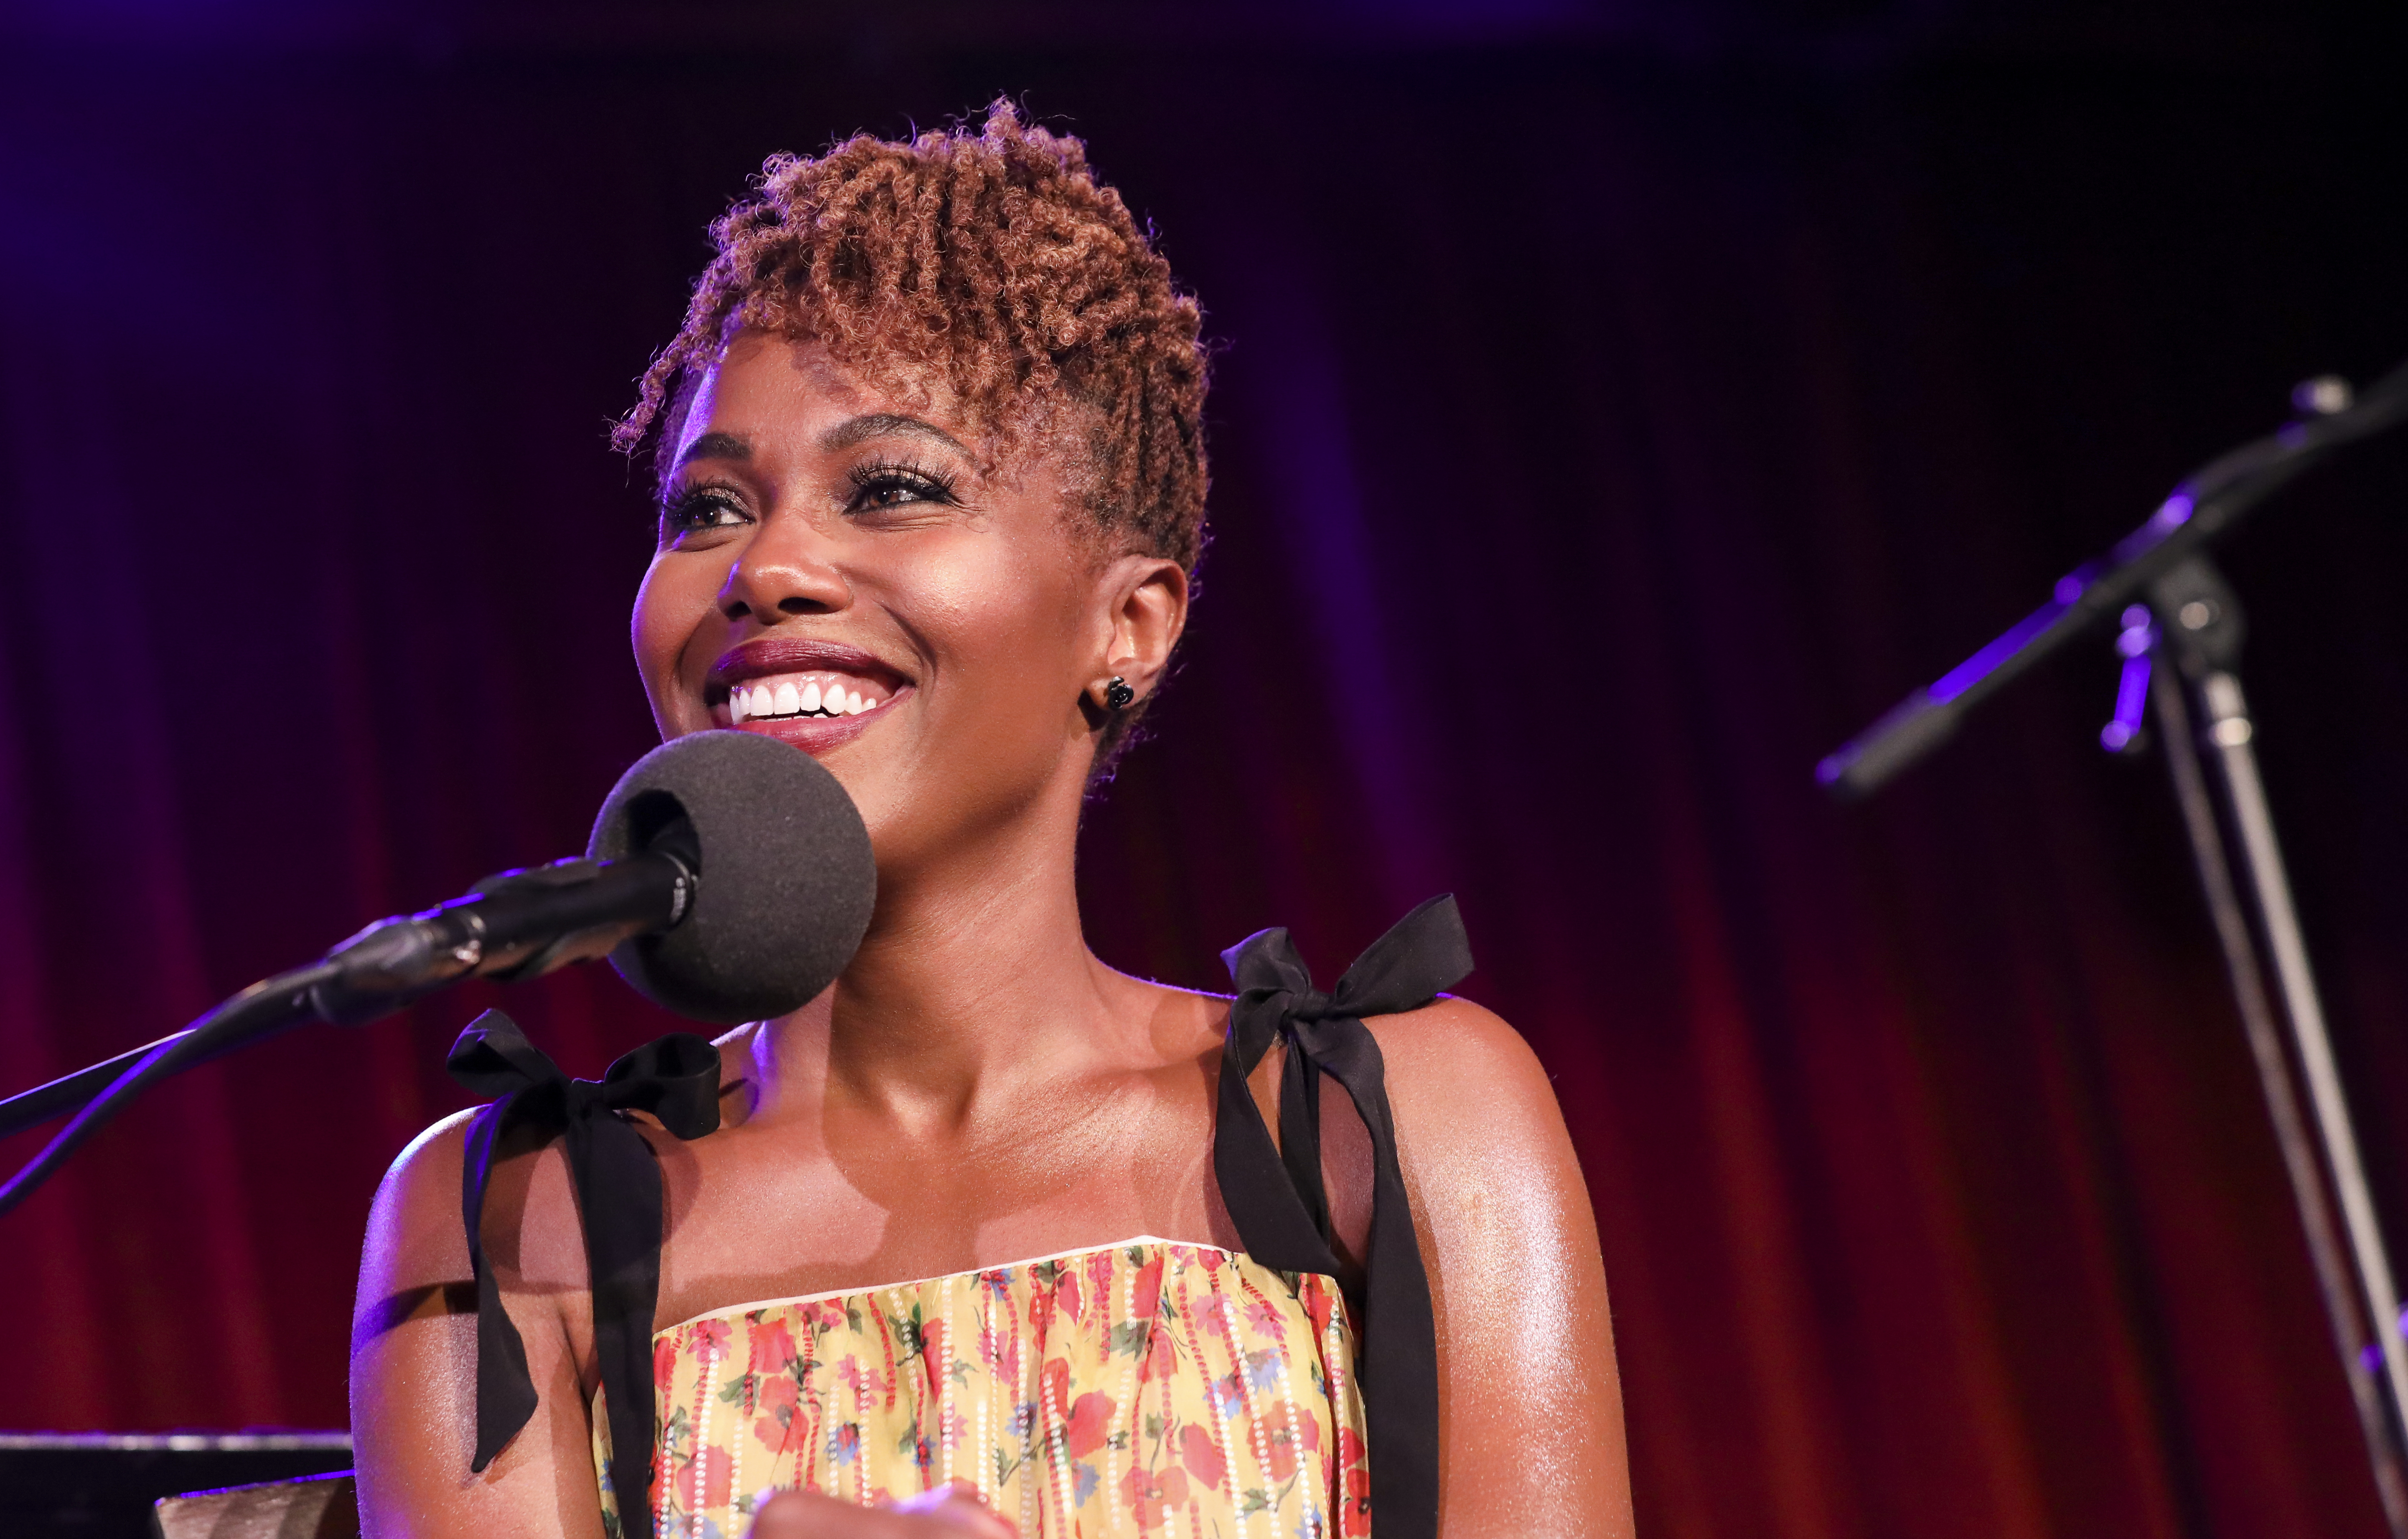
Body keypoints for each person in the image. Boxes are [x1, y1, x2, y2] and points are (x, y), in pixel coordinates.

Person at [350, 101, 1630, 1539]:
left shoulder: (1394, 1117)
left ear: (1127, 624)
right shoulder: (508, 1219)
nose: (766, 565)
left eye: (891, 487)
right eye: (707, 508)